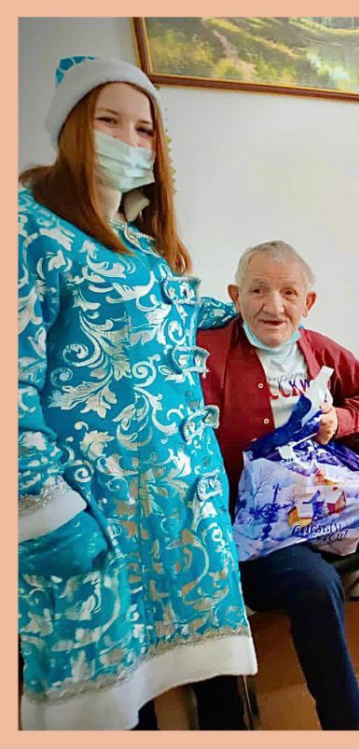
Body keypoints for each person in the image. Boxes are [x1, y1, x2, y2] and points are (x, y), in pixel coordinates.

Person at [18, 56, 255, 730]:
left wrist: (253, 308)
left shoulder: (137, 241)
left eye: (145, 129)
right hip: (94, 514)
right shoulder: (29, 228)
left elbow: (162, 319)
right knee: (115, 702)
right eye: (109, 121)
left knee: (205, 679)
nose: (130, 140)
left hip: (176, 510)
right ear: (71, 127)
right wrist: (46, 514)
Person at [197, 241, 359, 730]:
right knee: (316, 585)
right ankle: (347, 727)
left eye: (288, 293)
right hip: (257, 525)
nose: (274, 306)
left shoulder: (316, 348)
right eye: (258, 290)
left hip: (326, 503)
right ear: (235, 296)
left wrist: (342, 417)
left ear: (308, 302)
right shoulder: (208, 356)